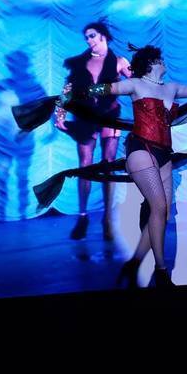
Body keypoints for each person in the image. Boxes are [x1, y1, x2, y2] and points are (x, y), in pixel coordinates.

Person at [58, 45, 187, 287]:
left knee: (162, 213)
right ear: (151, 63)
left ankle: (133, 263)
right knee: (159, 207)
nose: (164, 62)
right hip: (141, 150)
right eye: (160, 59)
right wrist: (75, 94)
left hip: (164, 153)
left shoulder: (172, 88)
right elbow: (105, 89)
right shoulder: (135, 84)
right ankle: (161, 271)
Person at [56, 20, 132, 241]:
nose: (88, 40)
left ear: (103, 36)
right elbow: (67, 89)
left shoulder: (119, 61)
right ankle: (82, 217)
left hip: (110, 116)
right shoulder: (80, 63)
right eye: (86, 37)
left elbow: (137, 83)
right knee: (85, 167)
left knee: (108, 167)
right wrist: (60, 115)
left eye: (92, 35)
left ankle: (108, 219)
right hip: (85, 116)